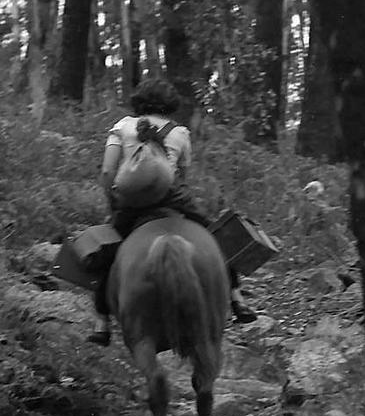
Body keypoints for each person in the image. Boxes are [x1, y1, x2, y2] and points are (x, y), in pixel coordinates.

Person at [88, 77, 258, 346]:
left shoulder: (122, 126)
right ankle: (236, 297)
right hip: (172, 200)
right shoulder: (179, 133)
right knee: (215, 237)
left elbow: (108, 171)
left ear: (139, 101)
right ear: (170, 104)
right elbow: (182, 178)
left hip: (131, 203)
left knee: (106, 252)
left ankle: (101, 322)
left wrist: (114, 200)